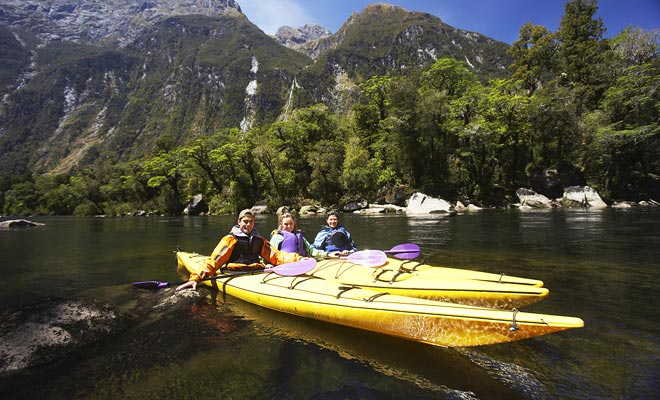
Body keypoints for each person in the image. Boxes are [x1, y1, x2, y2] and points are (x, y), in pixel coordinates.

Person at [177, 209, 302, 290]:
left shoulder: (260, 240)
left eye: (251, 222)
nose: (248, 225)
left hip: (255, 272)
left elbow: (277, 256)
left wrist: (299, 259)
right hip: (235, 273)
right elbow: (214, 261)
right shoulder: (230, 239)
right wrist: (195, 279)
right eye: (245, 221)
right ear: (239, 222)